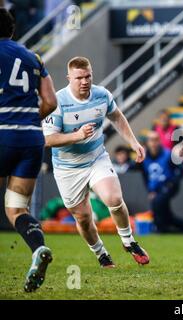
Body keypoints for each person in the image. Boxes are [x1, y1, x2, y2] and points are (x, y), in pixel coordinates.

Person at [43, 56, 149, 268]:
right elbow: (47, 139)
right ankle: (101, 253)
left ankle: (129, 242)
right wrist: (77, 135)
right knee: (83, 218)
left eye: (88, 76)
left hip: (96, 159)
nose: (84, 81)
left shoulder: (102, 95)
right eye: (79, 77)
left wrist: (133, 143)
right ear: (68, 78)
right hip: (68, 168)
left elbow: (117, 117)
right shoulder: (57, 102)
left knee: (114, 198)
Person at [0, 8, 57, 292]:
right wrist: (28, 117)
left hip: (2, 132)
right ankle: (38, 249)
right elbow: (50, 100)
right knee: (16, 207)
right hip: (31, 139)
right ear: (13, 30)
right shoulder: (33, 57)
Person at [139, 131, 183, 233]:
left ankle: (160, 229)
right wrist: (150, 190)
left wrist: (172, 181)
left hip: (169, 185)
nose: (154, 143)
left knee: (157, 202)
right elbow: (145, 176)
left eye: (156, 140)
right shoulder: (144, 157)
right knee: (164, 210)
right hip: (155, 188)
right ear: (147, 143)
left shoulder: (168, 154)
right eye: (151, 140)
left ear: (159, 141)